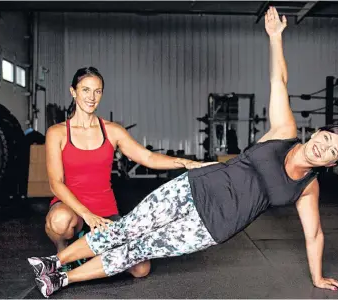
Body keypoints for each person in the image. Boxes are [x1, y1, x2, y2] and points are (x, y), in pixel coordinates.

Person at [28, 7, 338, 298]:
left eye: (332, 152)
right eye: (326, 139)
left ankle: (61, 280)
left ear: (333, 162)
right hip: (192, 187)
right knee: (124, 230)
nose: (323, 148)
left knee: (135, 252)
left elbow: (314, 234)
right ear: (319, 133)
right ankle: (53, 263)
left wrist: (318, 276)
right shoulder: (285, 133)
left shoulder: (307, 187)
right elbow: (278, 81)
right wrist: (275, 38)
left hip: (210, 227)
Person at [41, 66, 211, 277]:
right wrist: (86, 214)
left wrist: (185, 163)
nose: (92, 97)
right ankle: (63, 254)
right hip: (72, 209)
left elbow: (147, 157)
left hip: (104, 211)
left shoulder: (112, 131)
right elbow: (55, 183)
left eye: (98, 91)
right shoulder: (57, 133)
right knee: (60, 221)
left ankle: (86, 256)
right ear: (73, 91)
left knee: (141, 269)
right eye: (85, 90)